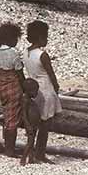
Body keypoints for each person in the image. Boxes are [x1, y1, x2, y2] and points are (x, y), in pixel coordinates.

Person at [24, 20, 62, 163]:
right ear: (40, 37)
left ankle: (31, 152)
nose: (46, 39)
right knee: (45, 125)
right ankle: (40, 153)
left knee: (34, 123)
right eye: (45, 36)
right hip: (46, 89)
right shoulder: (42, 55)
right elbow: (51, 74)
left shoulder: (26, 52)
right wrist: (56, 88)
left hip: (33, 89)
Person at [0, 22, 26, 157]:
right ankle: (10, 150)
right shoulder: (13, 53)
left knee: (7, 117)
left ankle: (7, 146)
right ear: (10, 38)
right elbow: (20, 74)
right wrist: (24, 89)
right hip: (14, 88)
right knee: (13, 120)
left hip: (2, 87)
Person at [18, 79, 46, 166]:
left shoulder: (29, 100)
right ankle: (23, 159)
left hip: (34, 123)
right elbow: (24, 114)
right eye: (35, 91)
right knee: (30, 142)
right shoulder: (25, 100)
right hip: (29, 124)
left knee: (32, 141)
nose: (37, 93)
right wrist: (27, 125)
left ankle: (31, 158)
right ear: (28, 91)